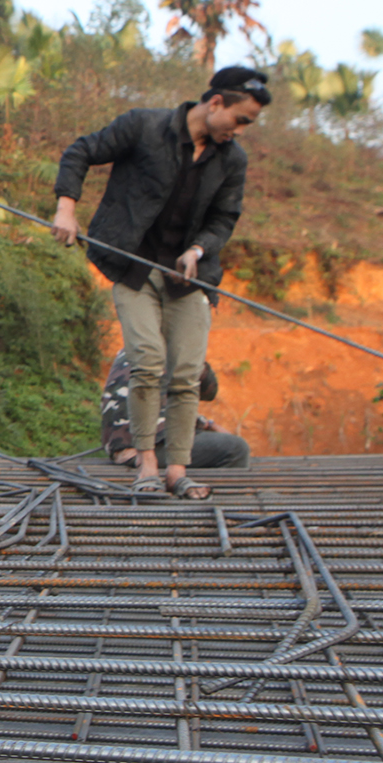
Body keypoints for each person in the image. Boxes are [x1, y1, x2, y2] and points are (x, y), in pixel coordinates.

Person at [51, 66, 269, 500]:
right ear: (216, 103)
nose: (241, 131)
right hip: (133, 267)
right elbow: (81, 151)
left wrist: (199, 250)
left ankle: (177, 472)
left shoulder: (232, 159)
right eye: (240, 119)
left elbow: (224, 217)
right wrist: (66, 209)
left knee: (186, 373)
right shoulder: (144, 126)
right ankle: (147, 464)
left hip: (188, 278)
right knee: (148, 362)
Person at [99, 352, 250, 470]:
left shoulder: (132, 347)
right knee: (236, 448)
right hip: (145, 450)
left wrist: (208, 424)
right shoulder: (178, 350)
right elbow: (209, 391)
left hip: (119, 447)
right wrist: (199, 363)